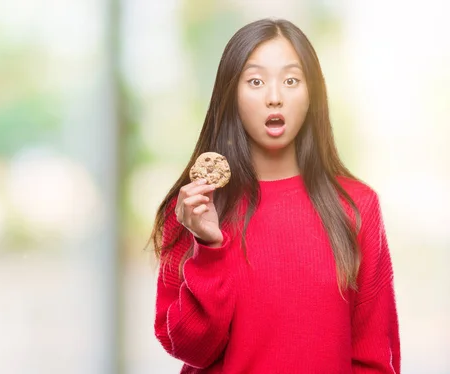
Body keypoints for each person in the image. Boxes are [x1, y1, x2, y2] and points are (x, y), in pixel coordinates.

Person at [150, 18, 401, 373]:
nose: (274, 97)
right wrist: (207, 249)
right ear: (231, 94)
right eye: (255, 81)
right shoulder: (196, 208)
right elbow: (191, 348)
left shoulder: (358, 206)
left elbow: (374, 357)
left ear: (312, 93)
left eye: (291, 80)